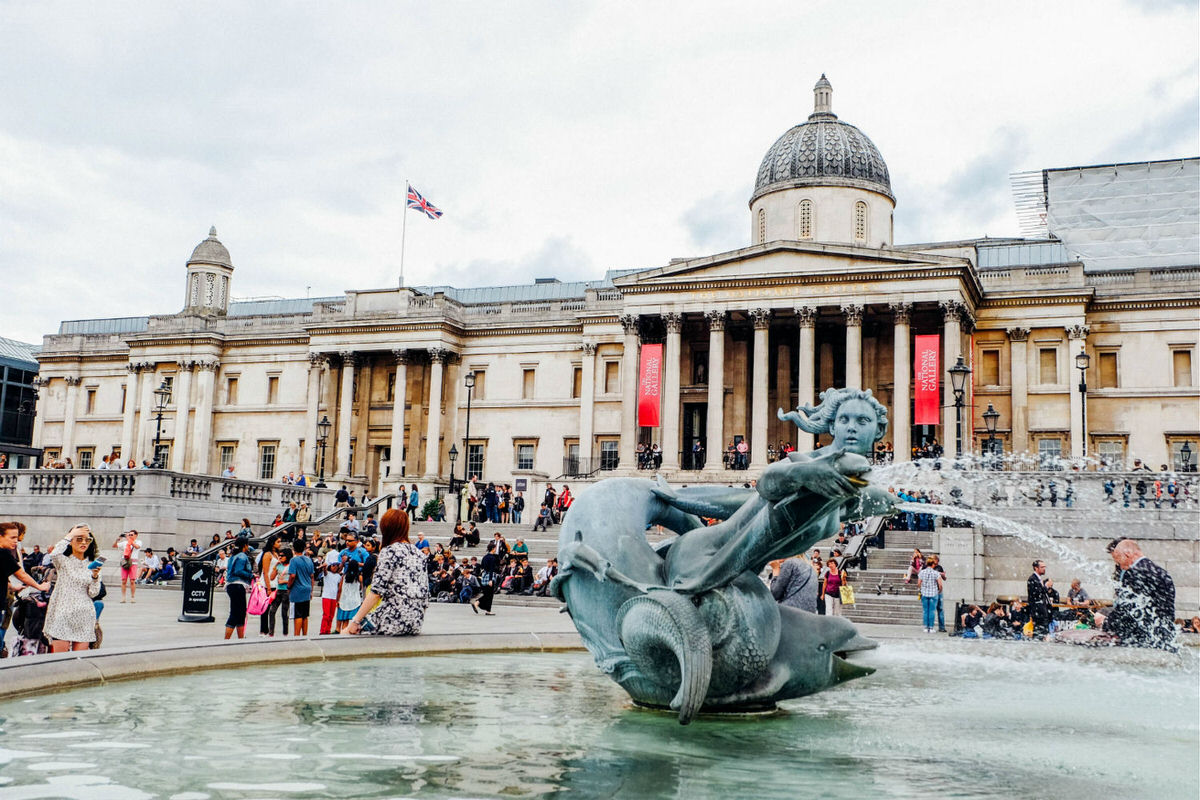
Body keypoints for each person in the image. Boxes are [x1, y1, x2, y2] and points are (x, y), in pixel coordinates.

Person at [345, 509, 430, 635]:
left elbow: (376, 592)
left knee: (348, 633)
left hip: (392, 619)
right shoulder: (419, 553)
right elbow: (425, 594)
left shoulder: (390, 551)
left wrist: (355, 622)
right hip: (416, 620)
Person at [1094, 539, 1177, 650]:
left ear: (1127, 554)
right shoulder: (1162, 572)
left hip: (1141, 642)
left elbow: (1127, 611)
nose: (1120, 566)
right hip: (1163, 638)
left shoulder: (1134, 573)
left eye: (1118, 560)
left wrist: (1105, 623)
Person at [44, 524, 104, 652]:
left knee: (79, 662)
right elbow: (54, 554)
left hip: (84, 614)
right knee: (60, 661)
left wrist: (95, 576)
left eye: (87, 539)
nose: (83, 542)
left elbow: (93, 593)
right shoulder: (63, 561)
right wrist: (71, 534)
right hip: (63, 613)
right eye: (79, 539)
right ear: (70, 542)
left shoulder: (92, 564)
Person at [223, 535, 254, 640]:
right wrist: (251, 575)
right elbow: (238, 571)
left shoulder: (233, 556)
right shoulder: (242, 556)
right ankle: (226, 640)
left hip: (231, 586)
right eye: (247, 544)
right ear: (245, 545)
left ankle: (241, 638)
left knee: (240, 613)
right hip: (238, 585)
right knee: (236, 613)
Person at [287, 543, 315, 637]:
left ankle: (297, 636)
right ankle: (305, 635)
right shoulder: (309, 560)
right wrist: (311, 590)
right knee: (305, 615)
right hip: (307, 588)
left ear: (294, 549)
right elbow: (312, 576)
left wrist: (288, 586)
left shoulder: (294, 560)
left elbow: (292, 575)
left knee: (297, 615)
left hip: (297, 590)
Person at [111, 530, 143, 603]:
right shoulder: (124, 543)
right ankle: (123, 597)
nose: (130, 536)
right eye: (129, 535)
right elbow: (114, 546)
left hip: (133, 563)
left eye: (131, 535)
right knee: (123, 580)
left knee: (132, 581)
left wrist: (129, 540)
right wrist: (117, 540)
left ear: (136, 535)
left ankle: (132, 597)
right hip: (125, 562)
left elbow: (137, 547)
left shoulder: (138, 542)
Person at [267, 547, 291, 637]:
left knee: (284, 613)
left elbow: (294, 579)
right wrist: (275, 566)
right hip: (279, 590)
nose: (280, 557)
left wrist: (284, 581)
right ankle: (271, 632)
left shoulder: (291, 566)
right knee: (272, 611)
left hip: (286, 591)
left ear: (287, 556)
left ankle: (285, 633)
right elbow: (272, 577)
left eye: (282, 556)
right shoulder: (279, 565)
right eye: (279, 555)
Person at [1026, 559, 1051, 638]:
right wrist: (1046, 586)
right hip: (1037, 610)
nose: (1044, 569)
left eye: (1045, 567)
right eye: (1042, 567)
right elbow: (1037, 594)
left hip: (1042, 609)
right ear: (1036, 568)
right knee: (1039, 631)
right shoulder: (1032, 579)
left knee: (1043, 631)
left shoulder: (1039, 579)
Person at [916, 557, 942, 633]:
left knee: (925, 611)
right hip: (933, 594)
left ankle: (925, 627)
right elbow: (940, 585)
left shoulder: (922, 572)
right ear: (933, 564)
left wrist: (922, 589)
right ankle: (931, 627)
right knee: (932, 611)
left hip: (924, 593)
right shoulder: (936, 573)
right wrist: (939, 591)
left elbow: (918, 583)